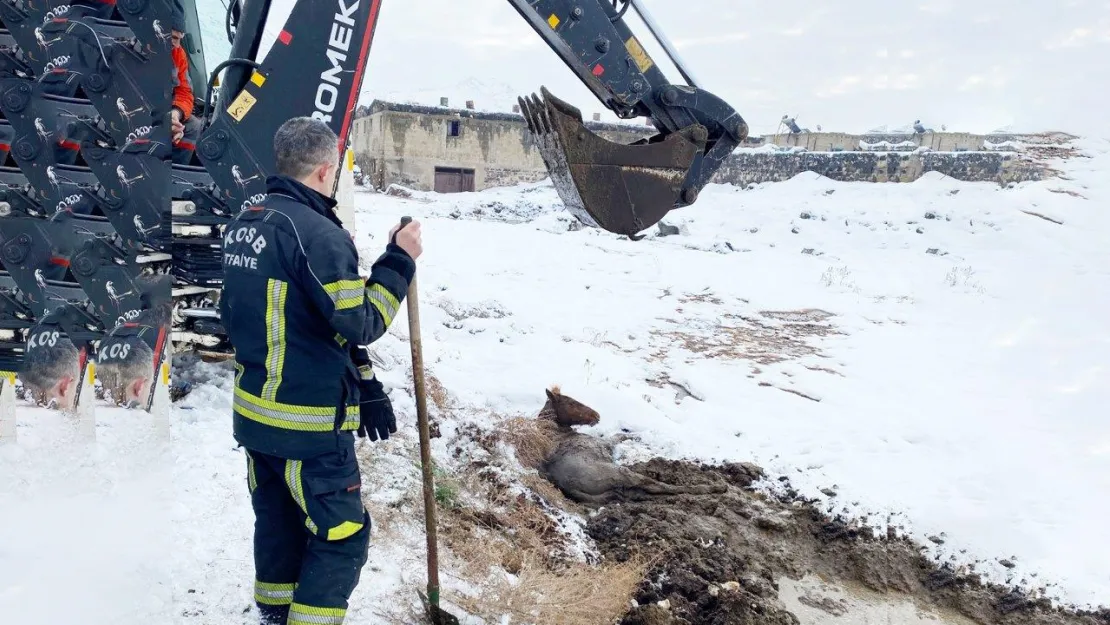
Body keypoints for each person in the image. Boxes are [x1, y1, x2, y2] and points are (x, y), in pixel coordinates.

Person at [219, 116, 422, 625]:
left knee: (279, 522)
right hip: (307, 427)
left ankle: (274, 614)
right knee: (342, 537)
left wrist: (366, 382)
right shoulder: (318, 234)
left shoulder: (247, 222)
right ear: (326, 169)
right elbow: (361, 321)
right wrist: (398, 260)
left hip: (256, 417)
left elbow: (296, 317)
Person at [168, 2, 200, 165]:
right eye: (173, 37)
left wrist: (176, 115)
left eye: (180, 38)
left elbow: (185, 92)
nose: (177, 44)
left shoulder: (178, 54)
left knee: (194, 127)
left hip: (164, 113)